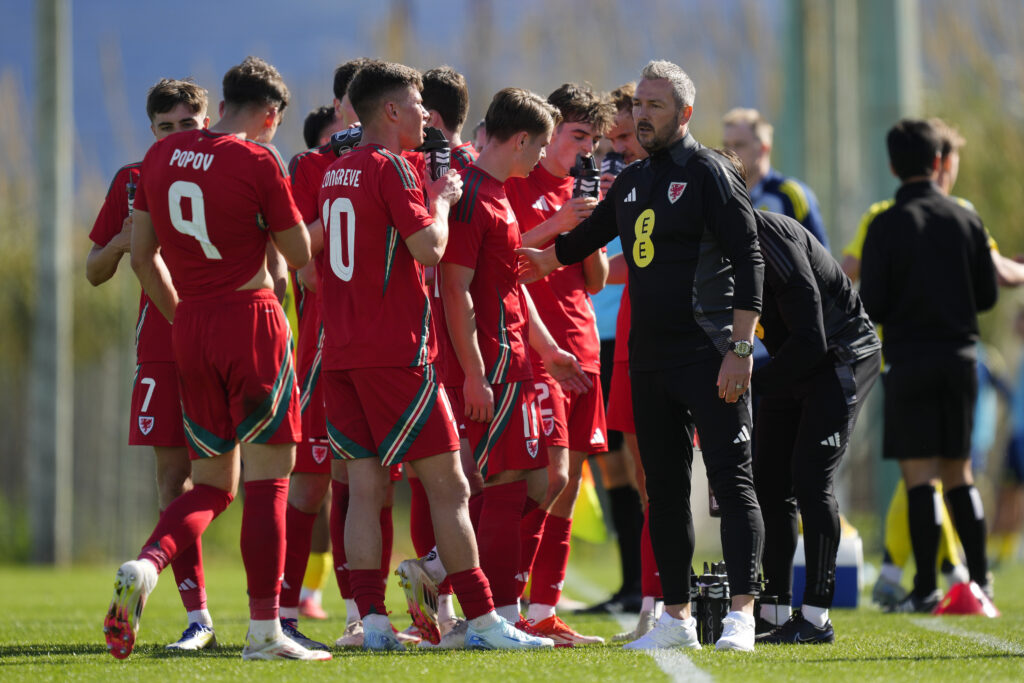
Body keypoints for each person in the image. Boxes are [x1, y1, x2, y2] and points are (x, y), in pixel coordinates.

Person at [518, 59, 766, 652]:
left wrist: (740, 348)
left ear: (685, 113)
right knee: (664, 491)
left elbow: (750, 257)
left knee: (732, 483)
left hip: (709, 354)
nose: (643, 115)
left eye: (656, 106)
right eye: (639, 105)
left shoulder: (710, 172)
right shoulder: (632, 180)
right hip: (650, 361)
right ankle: (675, 619)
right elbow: (588, 238)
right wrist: (543, 258)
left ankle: (742, 616)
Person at [316, 59, 553, 652]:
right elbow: (430, 248)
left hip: (340, 352)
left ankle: (372, 622)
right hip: (395, 353)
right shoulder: (393, 167)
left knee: (365, 487)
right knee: (451, 486)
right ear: (391, 110)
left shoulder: (334, 170)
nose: (426, 114)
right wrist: (441, 199)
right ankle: (483, 621)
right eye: (418, 103)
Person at [104, 56, 330, 661]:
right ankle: (265, 632)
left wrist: (182, 316)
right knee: (269, 481)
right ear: (271, 115)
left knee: (209, 484)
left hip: (190, 326)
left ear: (221, 104)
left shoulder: (158, 157)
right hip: (250, 320)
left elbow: (142, 256)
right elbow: (296, 252)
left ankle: (148, 565)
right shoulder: (259, 159)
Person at [434, 86, 591, 648]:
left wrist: (548, 351)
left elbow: (508, 286)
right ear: (522, 139)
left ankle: (443, 572)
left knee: (538, 480)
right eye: (541, 144)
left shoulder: (497, 192)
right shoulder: (473, 193)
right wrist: (474, 374)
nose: (542, 156)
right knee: (504, 484)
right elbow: (455, 289)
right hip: (492, 365)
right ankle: (493, 616)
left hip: (515, 358)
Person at [705, 153, 882, 644]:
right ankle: (776, 610)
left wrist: (751, 382)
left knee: (810, 478)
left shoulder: (772, 239)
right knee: (769, 480)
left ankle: (817, 617)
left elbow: (812, 339)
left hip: (840, 356)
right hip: (792, 359)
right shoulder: (710, 247)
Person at [87, 77, 219, 652]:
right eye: (166, 127)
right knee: (174, 481)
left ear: (206, 123)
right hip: (164, 348)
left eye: (188, 124)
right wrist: (121, 243)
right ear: (151, 131)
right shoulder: (131, 180)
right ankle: (199, 618)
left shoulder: (228, 167)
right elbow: (94, 270)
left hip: (227, 339)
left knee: (237, 478)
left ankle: (280, 611)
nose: (176, 135)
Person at [860, 118, 998, 613]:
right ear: (938, 162)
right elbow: (987, 296)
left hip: (907, 360)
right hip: (959, 358)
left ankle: (925, 587)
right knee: (960, 472)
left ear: (893, 166)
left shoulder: (884, 225)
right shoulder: (965, 218)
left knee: (919, 478)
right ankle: (980, 583)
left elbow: (872, 304)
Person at [504, 81, 614, 646]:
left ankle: (544, 610)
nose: (585, 149)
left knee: (567, 490)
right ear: (548, 133)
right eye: (577, 135)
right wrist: (558, 224)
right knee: (545, 480)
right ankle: (500, 599)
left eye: (593, 140)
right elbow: (502, 257)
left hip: (583, 348)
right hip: (536, 351)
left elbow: (595, 281)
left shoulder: (579, 191)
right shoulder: (517, 180)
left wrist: (591, 226)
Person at [404, 64, 482, 642]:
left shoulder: (420, 168)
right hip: (457, 339)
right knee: (458, 478)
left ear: (429, 116)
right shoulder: (464, 170)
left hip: (426, 336)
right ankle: (449, 597)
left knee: (437, 477)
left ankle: (439, 589)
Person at [578, 82, 647, 618]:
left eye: (624, 137)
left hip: (635, 335)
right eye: (610, 141)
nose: (616, 150)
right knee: (612, 471)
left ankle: (656, 585)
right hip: (593, 336)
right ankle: (630, 584)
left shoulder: (654, 183)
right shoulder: (599, 180)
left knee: (644, 467)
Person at [721, 107, 827, 248]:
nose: (729, 153)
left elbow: (819, 256)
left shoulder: (790, 195)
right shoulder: (721, 196)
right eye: (726, 145)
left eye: (739, 145)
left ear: (763, 148)